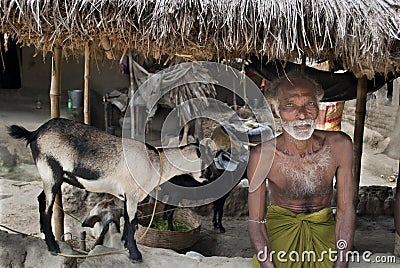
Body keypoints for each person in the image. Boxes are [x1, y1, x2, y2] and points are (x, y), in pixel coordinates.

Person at [247, 72, 356, 268]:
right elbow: (256, 220)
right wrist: (268, 265)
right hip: (280, 231)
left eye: (309, 104)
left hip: (324, 231)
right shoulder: (262, 156)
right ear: (275, 111)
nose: (302, 114)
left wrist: (341, 262)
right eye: (290, 105)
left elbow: (345, 210)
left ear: (318, 106)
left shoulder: (340, 146)